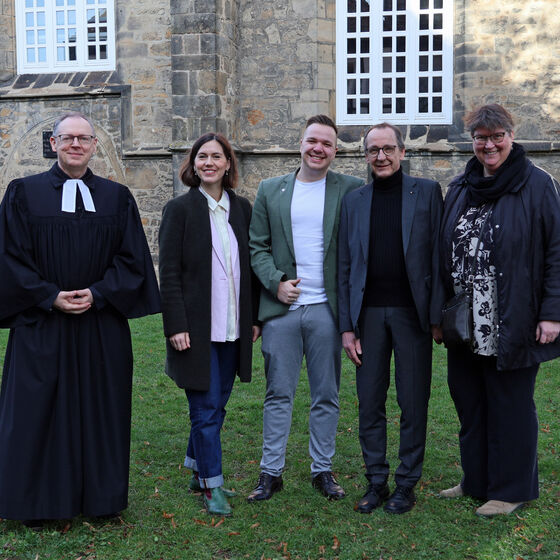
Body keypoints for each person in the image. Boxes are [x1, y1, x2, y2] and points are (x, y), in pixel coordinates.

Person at [0, 112, 160, 528]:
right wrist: (48, 296)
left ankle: (101, 502)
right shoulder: (23, 193)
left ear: (93, 146)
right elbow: (9, 257)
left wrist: (99, 294)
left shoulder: (117, 197)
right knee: (37, 414)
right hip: (41, 324)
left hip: (99, 324)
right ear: (53, 143)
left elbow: (132, 260)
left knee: (100, 411)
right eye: (67, 138)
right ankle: (37, 506)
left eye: (84, 138)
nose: (76, 144)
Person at [439, 104, 560, 517]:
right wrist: (439, 314)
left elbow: (556, 251)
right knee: (470, 403)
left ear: (511, 136)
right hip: (465, 321)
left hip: (514, 316)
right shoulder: (460, 186)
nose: (488, 145)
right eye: (480, 138)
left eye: (497, 136)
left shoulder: (538, 184)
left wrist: (552, 313)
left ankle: (510, 490)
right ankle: (476, 480)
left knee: (510, 404)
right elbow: (442, 251)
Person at [247, 115, 363, 502]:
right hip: (282, 310)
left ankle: (322, 470)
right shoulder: (270, 189)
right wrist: (275, 282)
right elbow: (257, 246)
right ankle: (270, 472)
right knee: (278, 393)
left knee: (326, 394)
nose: (318, 148)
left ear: (335, 150)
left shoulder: (351, 189)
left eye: (327, 143)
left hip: (328, 311)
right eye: (313, 140)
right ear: (301, 144)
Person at [337, 123, 444, 514]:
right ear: (365, 154)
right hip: (367, 317)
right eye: (373, 150)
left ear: (402, 151)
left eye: (387, 149)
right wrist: (346, 327)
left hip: (412, 315)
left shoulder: (427, 192)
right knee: (370, 402)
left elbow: (438, 257)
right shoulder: (354, 201)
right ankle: (376, 481)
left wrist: (436, 316)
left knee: (413, 402)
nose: (380, 157)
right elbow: (344, 266)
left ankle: (406, 484)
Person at [159, 132, 260, 517]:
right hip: (196, 330)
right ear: (193, 164)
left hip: (233, 326)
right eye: (202, 156)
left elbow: (250, 268)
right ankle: (211, 486)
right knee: (204, 409)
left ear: (228, 163)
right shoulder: (179, 210)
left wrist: (253, 319)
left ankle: (196, 469)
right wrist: (175, 325)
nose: (209, 163)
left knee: (216, 406)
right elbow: (169, 273)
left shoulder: (242, 208)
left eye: (217, 156)